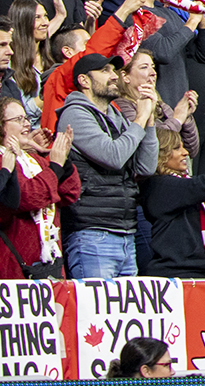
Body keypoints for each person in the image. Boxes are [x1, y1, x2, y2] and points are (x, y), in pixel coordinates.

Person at [58, 50, 161, 278]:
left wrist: (150, 120)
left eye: (114, 70)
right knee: (96, 313)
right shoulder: (74, 115)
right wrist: (140, 119)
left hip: (125, 231)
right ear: (84, 81)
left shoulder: (116, 118)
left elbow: (145, 167)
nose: (114, 75)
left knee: (123, 315)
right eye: (104, 70)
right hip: (92, 234)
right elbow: (113, 157)